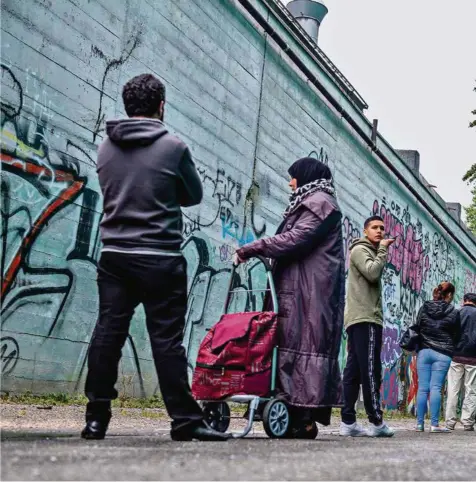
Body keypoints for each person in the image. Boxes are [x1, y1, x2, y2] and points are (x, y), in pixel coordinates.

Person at [82, 73, 228, 442]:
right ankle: (184, 419)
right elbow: (192, 195)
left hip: (114, 254)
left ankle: (96, 419)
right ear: (161, 105)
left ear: (128, 104)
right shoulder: (174, 147)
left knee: (107, 333)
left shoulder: (105, 147)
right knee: (166, 341)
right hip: (159, 256)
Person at [235, 157, 345, 438]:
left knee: (303, 345)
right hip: (301, 290)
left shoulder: (319, 203)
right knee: (292, 344)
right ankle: (297, 416)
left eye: (293, 177)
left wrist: (253, 247)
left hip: (309, 294)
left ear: (306, 176)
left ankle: (302, 416)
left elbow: (297, 238)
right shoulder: (312, 202)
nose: (290, 182)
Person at [340, 216, 395, 437]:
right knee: (371, 370)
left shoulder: (364, 251)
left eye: (382, 228)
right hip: (365, 319)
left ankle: (348, 423)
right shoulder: (361, 250)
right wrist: (383, 250)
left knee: (353, 371)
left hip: (358, 318)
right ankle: (377, 422)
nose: (380, 231)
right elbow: (373, 273)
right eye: (374, 228)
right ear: (365, 231)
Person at [414, 282, 460, 433]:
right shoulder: (453, 311)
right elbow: (457, 334)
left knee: (422, 388)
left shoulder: (424, 307)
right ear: (450, 295)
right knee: (435, 388)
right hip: (442, 353)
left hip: (424, 351)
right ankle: (434, 425)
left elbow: (418, 327)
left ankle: (419, 424)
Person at [445, 292, 476, 431]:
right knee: (471, 390)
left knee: (453, 389)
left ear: (464, 301)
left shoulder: (456, 312)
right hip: (473, 357)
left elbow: (450, 333)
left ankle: (450, 422)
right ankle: (467, 422)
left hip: (456, 356)